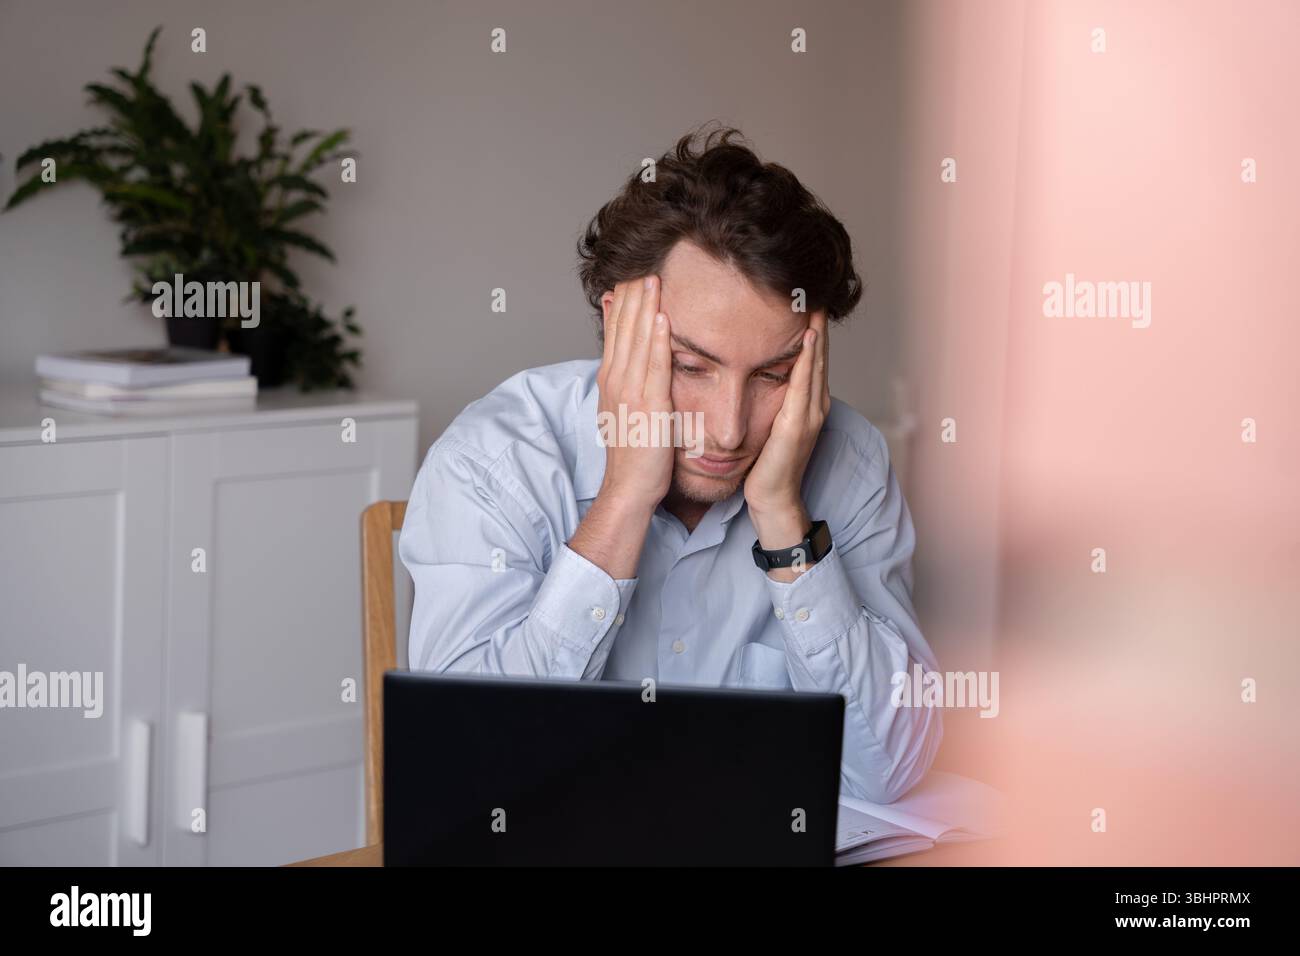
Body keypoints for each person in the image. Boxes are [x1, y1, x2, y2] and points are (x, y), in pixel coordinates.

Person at [399, 126, 941, 802]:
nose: (728, 428)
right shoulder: (491, 461)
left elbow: (890, 771)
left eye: (773, 374)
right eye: (692, 366)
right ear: (618, 321)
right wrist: (623, 498)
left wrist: (784, 520)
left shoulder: (851, 464)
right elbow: (467, 771)